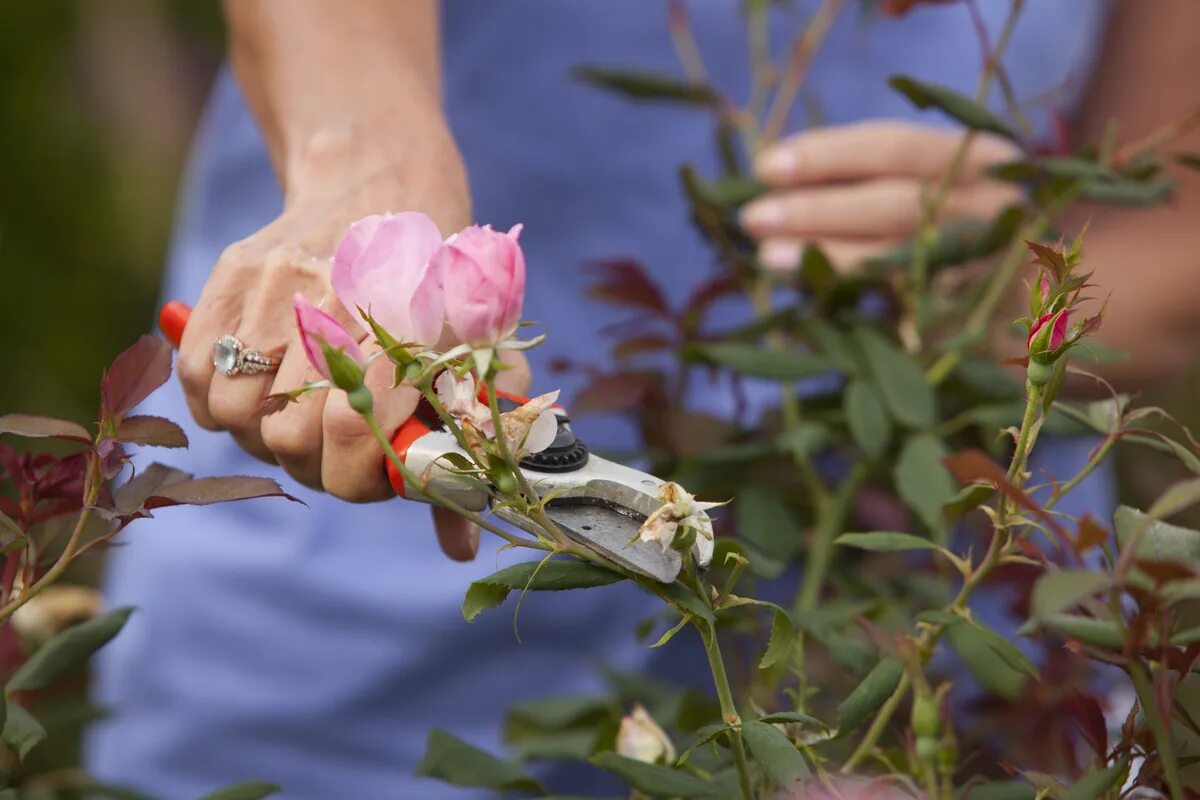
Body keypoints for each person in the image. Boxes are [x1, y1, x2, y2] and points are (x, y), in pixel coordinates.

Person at [87, 2, 1200, 798]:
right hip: (336, 676)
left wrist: (1024, 283)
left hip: (897, 665)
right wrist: (363, 173)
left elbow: (1174, 234)